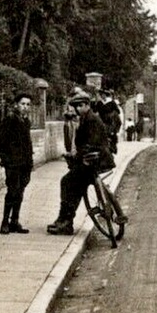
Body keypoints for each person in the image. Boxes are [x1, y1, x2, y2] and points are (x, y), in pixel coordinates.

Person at [47, 89, 114, 235]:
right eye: (75, 106)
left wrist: (74, 157)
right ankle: (65, 220)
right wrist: (73, 154)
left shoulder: (91, 120)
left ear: (86, 105)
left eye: (79, 106)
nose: (76, 109)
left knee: (67, 182)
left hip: (94, 162)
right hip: (92, 160)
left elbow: (90, 146)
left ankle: (66, 221)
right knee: (74, 186)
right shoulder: (87, 118)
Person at [0, 93, 34, 234]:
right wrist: (5, 159)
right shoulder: (9, 120)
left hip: (25, 163)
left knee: (20, 192)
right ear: (16, 105)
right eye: (23, 104)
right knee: (12, 191)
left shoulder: (26, 121)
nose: (25, 107)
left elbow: (27, 144)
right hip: (13, 163)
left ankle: (14, 221)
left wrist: (30, 162)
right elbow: (0, 141)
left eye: (28, 105)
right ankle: (5, 222)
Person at [98, 89, 123, 154]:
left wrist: (115, 130)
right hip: (101, 124)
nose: (102, 96)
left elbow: (117, 117)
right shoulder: (99, 103)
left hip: (110, 125)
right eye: (101, 95)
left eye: (103, 94)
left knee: (111, 139)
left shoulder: (112, 104)